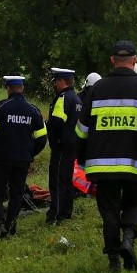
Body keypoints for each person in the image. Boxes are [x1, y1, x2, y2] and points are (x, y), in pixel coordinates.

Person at [76, 40, 137, 273]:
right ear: (135, 60)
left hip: (102, 166)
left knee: (109, 211)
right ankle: (129, 238)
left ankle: (114, 262)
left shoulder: (96, 89)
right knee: (135, 203)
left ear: (112, 60)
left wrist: (82, 160)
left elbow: (81, 131)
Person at [0, 75, 47, 239]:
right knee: (17, 193)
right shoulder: (34, 110)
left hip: (2, 158)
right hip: (23, 159)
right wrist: (29, 153)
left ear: (8, 88)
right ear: (22, 88)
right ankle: (10, 226)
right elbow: (42, 138)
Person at [45, 67, 82, 225]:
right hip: (72, 145)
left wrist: (47, 123)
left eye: (56, 81)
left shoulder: (63, 98)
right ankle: (67, 211)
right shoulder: (77, 99)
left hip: (61, 146)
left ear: (61, 81)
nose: (55, 85)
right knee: (67, 180)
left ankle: (56, 214)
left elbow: (57, 121)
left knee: (57, 180)